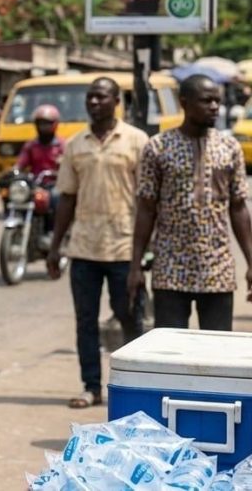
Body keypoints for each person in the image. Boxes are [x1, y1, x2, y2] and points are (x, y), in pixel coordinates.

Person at [47, 78, 148, 410]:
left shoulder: (136, 141)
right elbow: (67, 199)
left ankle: (135, 387)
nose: (94, 102)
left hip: (124, 248)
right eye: (90, 97)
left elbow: (149, 202)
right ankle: (91, 386)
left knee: (130, 318)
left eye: (101, 97)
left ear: (116, 101)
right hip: (85, 248)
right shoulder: (76, 145)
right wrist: (55, 245)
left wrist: (148, 251)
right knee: (85, 322)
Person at [129, 75, 252, 331]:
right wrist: (136, 266)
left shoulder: (229, 147)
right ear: (184, 103)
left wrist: (251, 262)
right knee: (171, 355)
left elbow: (238, 207)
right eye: (206, 101)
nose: (215, 107)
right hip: (171, 269)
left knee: (217, 353)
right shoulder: (159, 148)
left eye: (217, 101)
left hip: (217, 269)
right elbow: (146, 209)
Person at [16, 105, 65, 177]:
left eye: (47, 124)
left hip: (58, 184)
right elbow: (20, 165)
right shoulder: (31, 145)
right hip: (36, 184)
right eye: (40, 124)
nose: (43, 127)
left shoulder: (62, 145)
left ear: (55, 124)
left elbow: (69, 167)